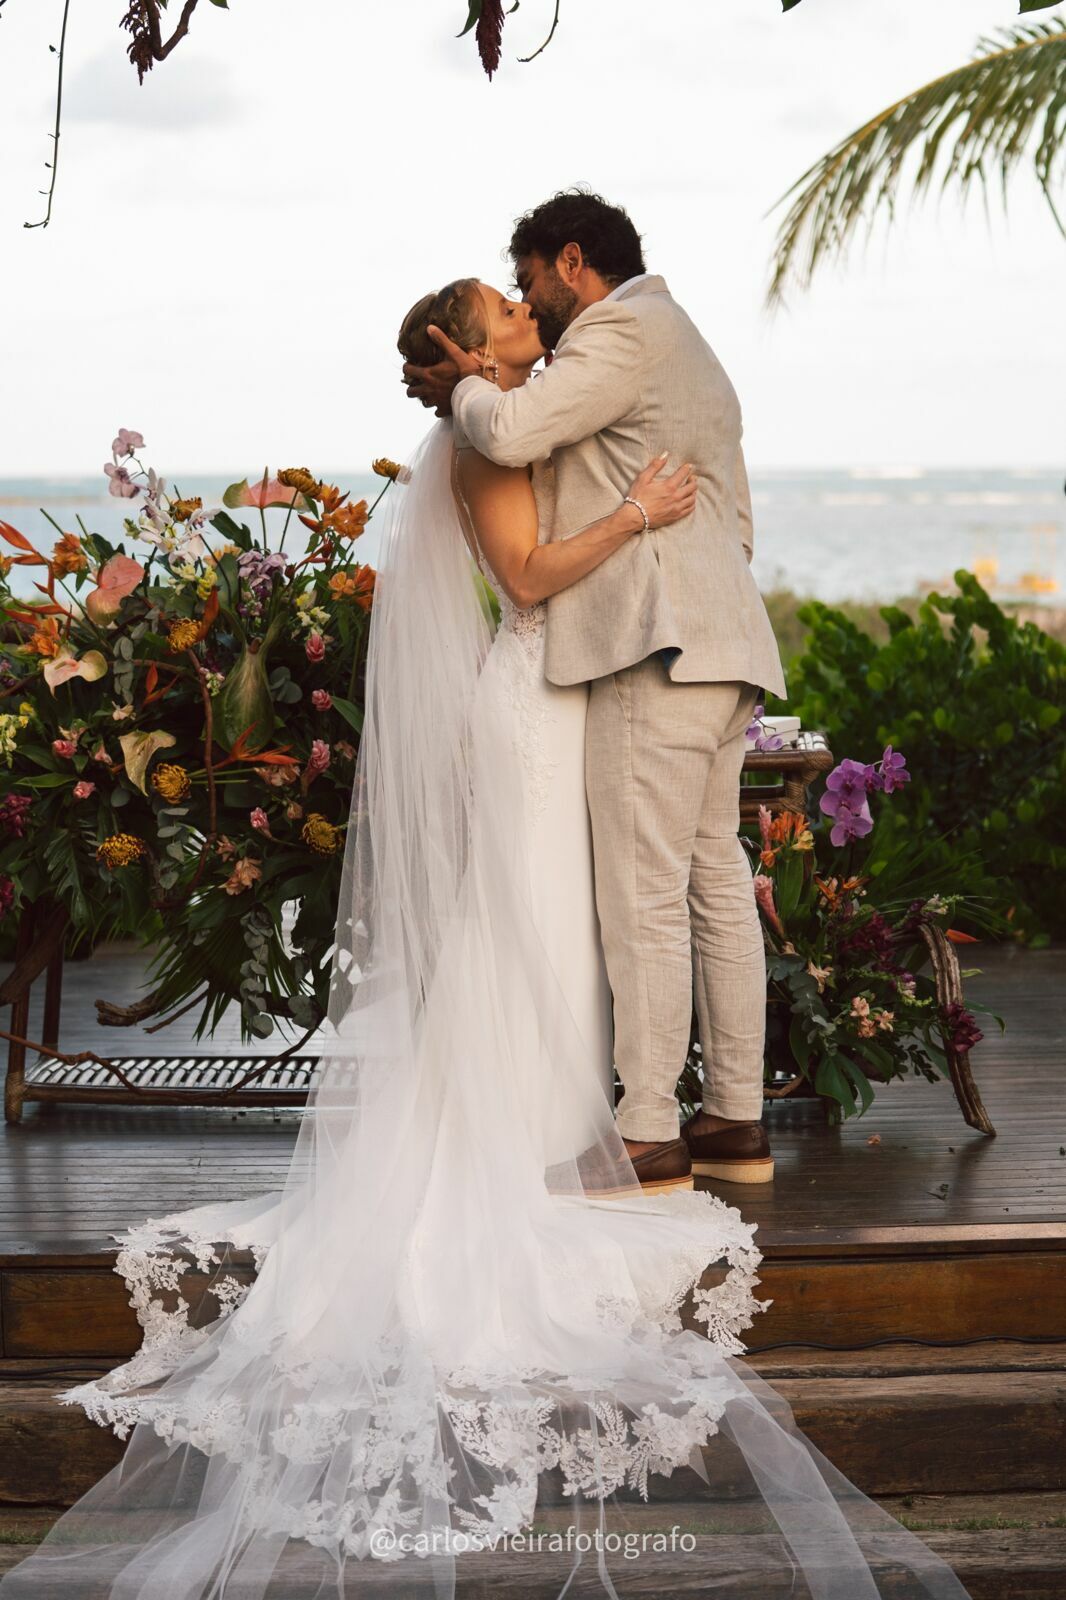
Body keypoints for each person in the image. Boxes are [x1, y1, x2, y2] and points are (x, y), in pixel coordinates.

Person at [0, 247, 971, 1600]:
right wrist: (637, 516)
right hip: (534, 702)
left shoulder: (508, 418)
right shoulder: (480, 435)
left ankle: (559, 1120)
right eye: (509, 310)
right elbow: (525, 578)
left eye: (523, 302)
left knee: (561, 923)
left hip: (561, 698)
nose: (529, 317)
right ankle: (518, 1134)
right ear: (469, 347)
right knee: (537, 920)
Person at [405, 189, 784, 1191]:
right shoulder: (686, 342)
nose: (530, 300)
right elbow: (738, 522)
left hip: (658, 654)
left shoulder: (618, 330)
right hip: (725, 646)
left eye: (529, 280)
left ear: (572, 262)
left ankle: (650, 1127)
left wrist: (462, 385)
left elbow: (510, 430)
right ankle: (734, 1117)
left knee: (646, 891)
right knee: (714, 878)